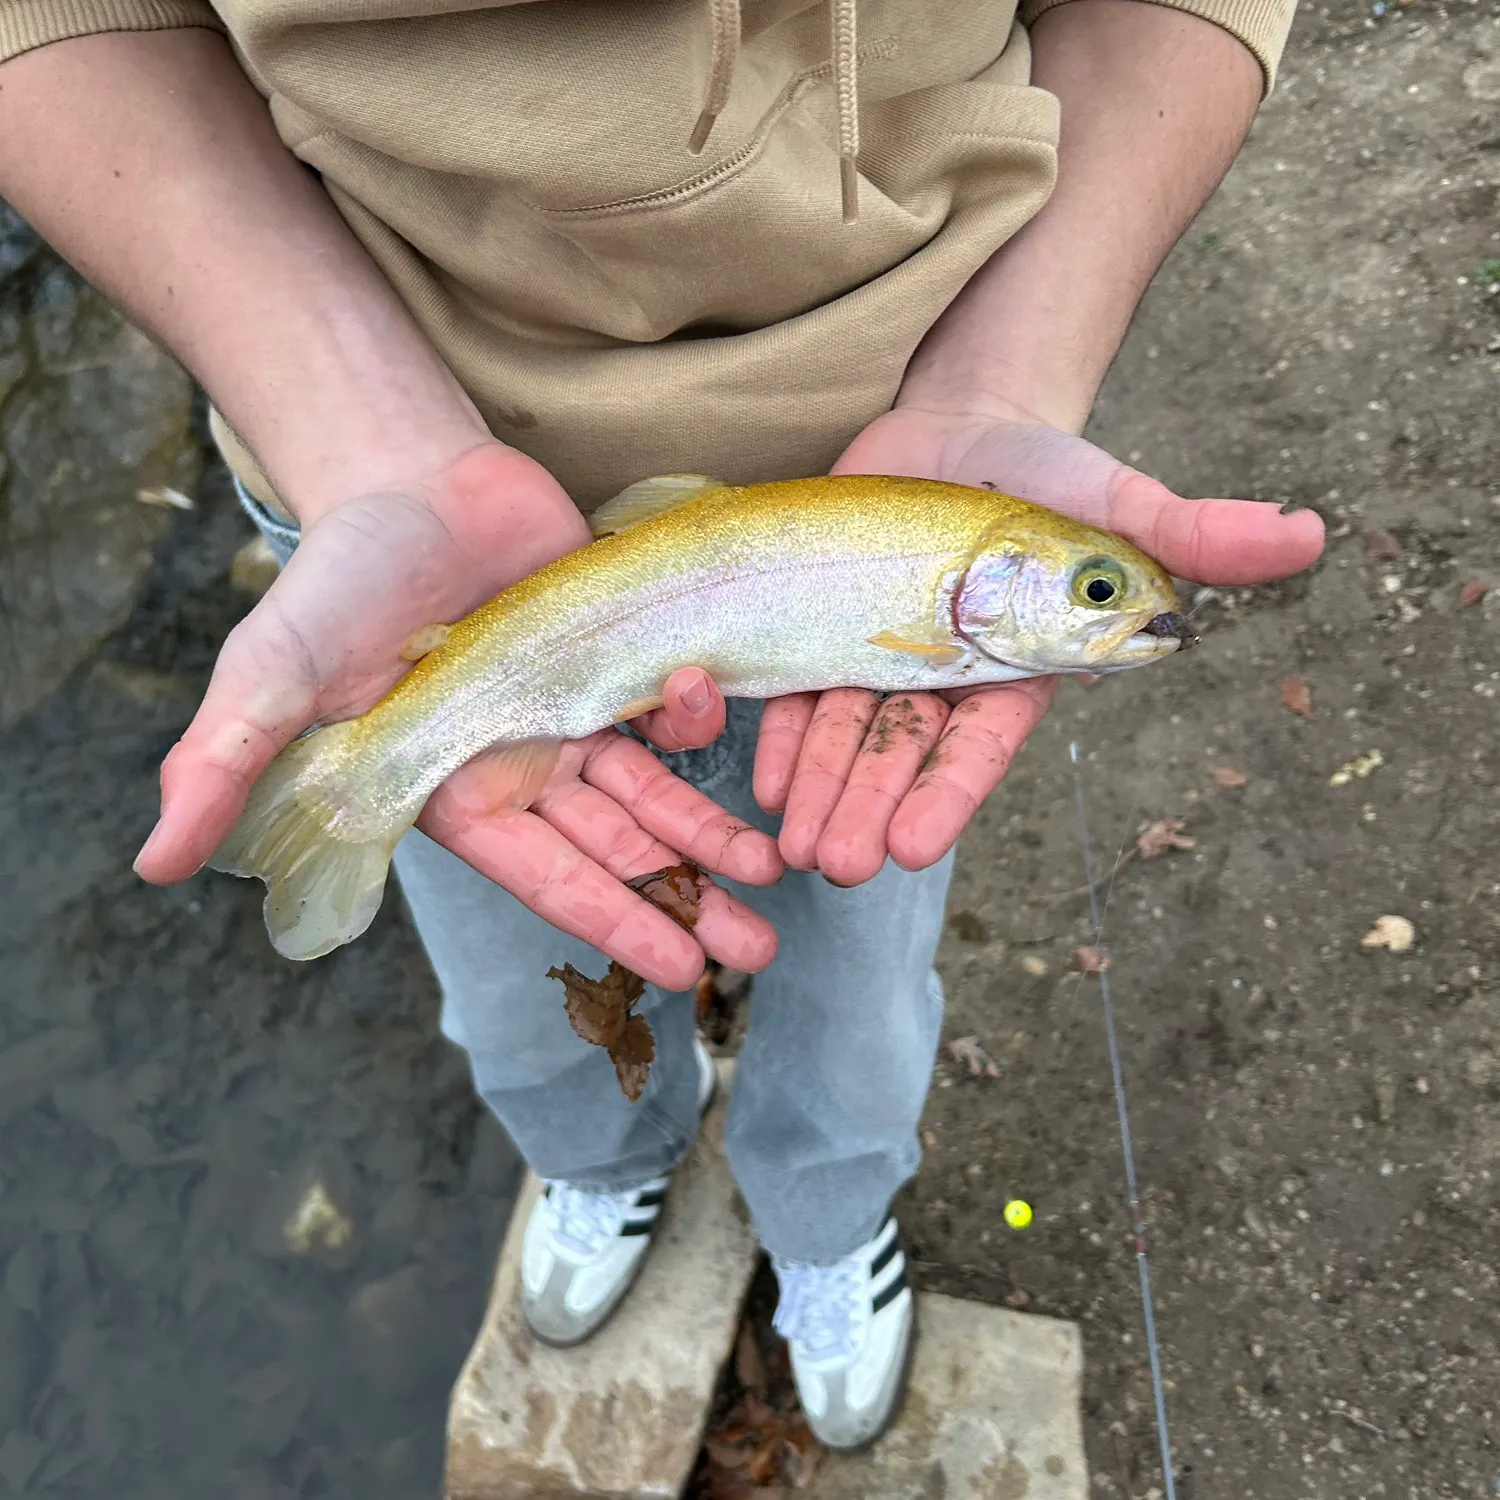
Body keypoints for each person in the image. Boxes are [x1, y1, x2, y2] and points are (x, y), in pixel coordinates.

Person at [0, 0, 1321, 1451]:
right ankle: (597, 1154)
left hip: (901, 423)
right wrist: (358, 439)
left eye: (1095, 594)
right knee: (521, 986)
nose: (1107, 611)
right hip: (397, 521)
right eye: (1089, 590)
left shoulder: (931, 624)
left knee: (862, 974)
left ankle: (825, 1218)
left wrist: (1011, 368)